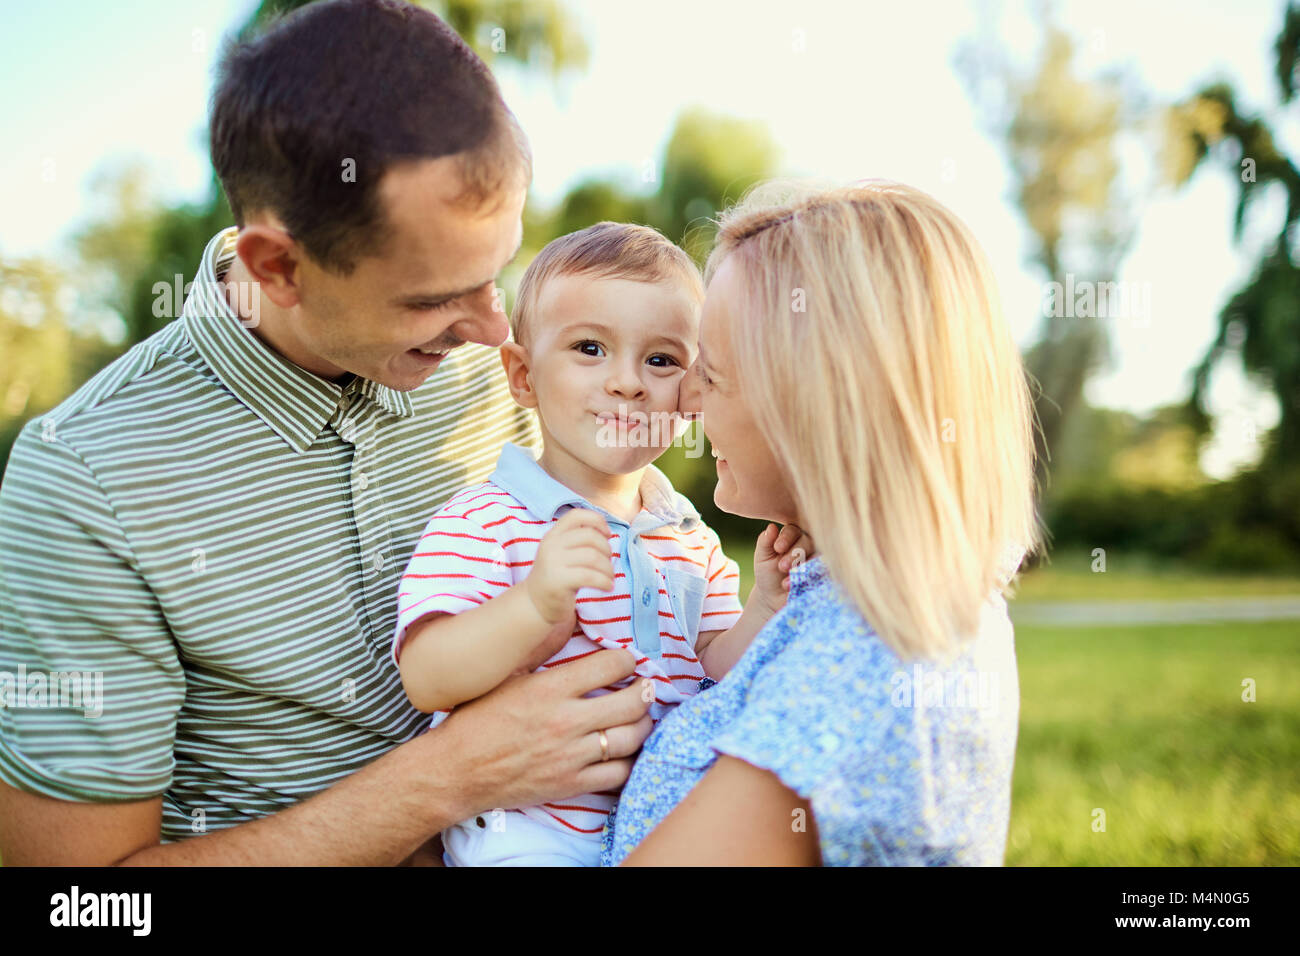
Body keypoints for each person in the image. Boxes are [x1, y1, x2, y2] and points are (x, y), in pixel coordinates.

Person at [0, 0, 651, 866]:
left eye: (496, 274)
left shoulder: (486, 374)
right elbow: (83, 904)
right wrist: (446, 779)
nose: (494, 333)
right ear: (279, 266)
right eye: (431, 300)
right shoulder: (84, 483)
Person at [601, 180, 1041, 866]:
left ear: (817, 405)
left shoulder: (860, 666)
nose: (684, 399)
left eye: (711, 375)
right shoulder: (860, 608)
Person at [392, 222, 811, 866]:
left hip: (662, 816)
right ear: (524, 378)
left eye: (662, 359)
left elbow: (714, 672)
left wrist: (763, 609)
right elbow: (427, 674)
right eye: (590, 348)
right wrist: (534, 605)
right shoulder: (488, 519)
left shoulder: (685, 533)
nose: (627, 382)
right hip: (534, 831)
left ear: (693, 389)